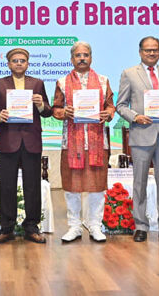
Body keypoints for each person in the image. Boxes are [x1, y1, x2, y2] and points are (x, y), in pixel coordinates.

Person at [116, 36, 159, 242]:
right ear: (140, 52)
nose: (152, 53)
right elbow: (121, 106)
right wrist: (135, 116)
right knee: (140, 183)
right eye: (148, 50)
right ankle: (141, 226)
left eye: (155, 50)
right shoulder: (129, 73)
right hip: (141, 135)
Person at [0, 48, 53, 244]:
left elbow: (48, 111)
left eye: (22, 60)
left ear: (28, 63)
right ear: (8, 64)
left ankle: (31, 227)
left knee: (33, 186)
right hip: (8, 141)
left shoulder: (37, 83)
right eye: (15, 60)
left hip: (31, 141)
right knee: (6, 186)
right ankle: (7, 228)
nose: (19, 63)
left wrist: (40, 105)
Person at [52, 41, 115, 243]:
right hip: (71, 143)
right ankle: (74, 226)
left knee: (97, 185)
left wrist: (108, 113)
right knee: (72, 185)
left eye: (85, 55)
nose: (82, 58)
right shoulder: (62, 82)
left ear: (91, 58)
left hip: (97, 142)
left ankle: (95, 225)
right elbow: (55, 109)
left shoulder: (103, 81)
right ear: (72, 59)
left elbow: (111, 106)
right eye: (78, 55)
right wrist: (64, 112)